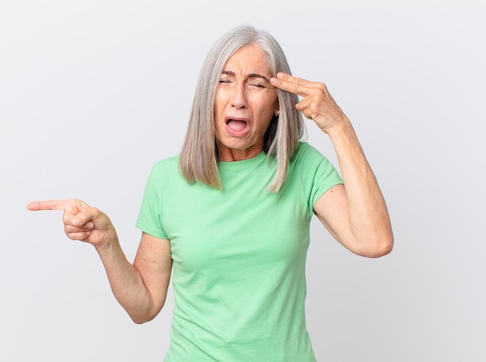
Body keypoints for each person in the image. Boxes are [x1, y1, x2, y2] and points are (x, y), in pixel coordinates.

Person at [27, 25, 393, 361]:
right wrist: (106, 242)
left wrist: (338, 126)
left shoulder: (303, 168)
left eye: (256, 84)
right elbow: (144, 306)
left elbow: (374, 241)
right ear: (208, 95)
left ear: (279, 103)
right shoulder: (168, 179)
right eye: (225, 80)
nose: (238, 98)